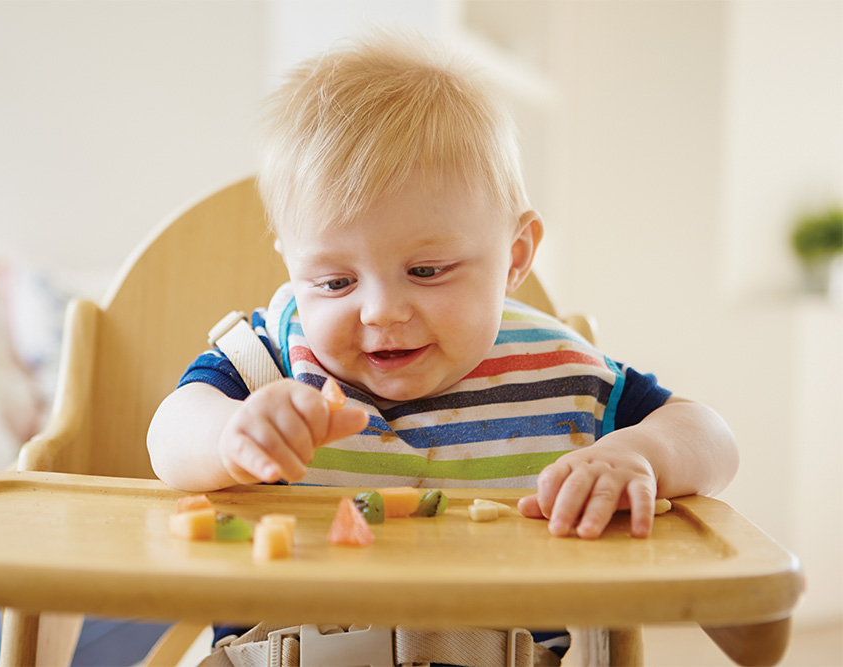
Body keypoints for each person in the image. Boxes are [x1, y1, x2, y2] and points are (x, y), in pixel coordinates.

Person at [147, 30, 738, 664]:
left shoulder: (561, 379)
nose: (380, 311)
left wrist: (641, 452)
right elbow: (167, 439)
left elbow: (711, 438)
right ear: (293, 268)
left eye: (427, 271)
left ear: (514, 258)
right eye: (335, 282)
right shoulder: (269, 367)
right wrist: (232, 434)